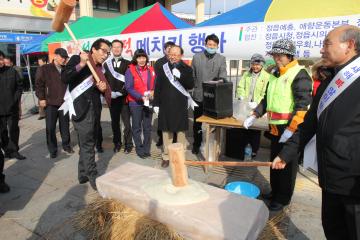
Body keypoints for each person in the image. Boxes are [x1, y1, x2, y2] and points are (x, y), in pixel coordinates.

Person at [272, 25, 360, 239]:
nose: (321, 50)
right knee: (332, 229)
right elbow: (310, 124)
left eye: (327, 44)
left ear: (349, 45)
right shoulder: (329, 82)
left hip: (355, 183)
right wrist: (286, 153)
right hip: (330, 176)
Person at [243, 39, 312, 211]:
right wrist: (255, 114)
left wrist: (291, 129)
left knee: (286, 164)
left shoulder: (300, 74)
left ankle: (283, 198)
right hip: (274, 126)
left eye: (280, 55)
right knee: (274, 162)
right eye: (274, 55)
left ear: (289, 55)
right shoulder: (274, 73)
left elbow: (303, 106)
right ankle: (275, 192)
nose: (276, 58)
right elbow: (267, 99)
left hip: (289, 127)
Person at [61, 38, 111, 190]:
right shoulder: (78, 59)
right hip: (81, 110)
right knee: (89, 144)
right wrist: (81, 64)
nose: (105, 55)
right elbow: (65, 77)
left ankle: (82, 173)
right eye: (103, 51)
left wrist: (101, 87)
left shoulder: (99, 68)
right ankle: (93, 175)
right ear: (94, 49)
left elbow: (96, 89)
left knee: (86, 142)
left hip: (94, 109)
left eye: (107, 53)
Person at [153, 45, 194, 168]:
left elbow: (191, 84)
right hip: (165, 104)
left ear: (181, 55)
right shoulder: (163, 68)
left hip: (180, 104)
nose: (173, 56)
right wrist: (156, 104)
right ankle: (166, 156)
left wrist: (180, 76)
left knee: (180, 132)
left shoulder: (187, 68)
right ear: (168, 54)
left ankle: (181, 155)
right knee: (167, 132)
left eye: (176, 54)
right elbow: (158, 86)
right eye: (171, 54)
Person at [191, 34, 227, 154]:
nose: (211, 47)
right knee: (197, 122)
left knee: (213, 124)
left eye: (214, 45)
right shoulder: (196, 57)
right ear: (205, 44)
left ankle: (212, 146)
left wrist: (219, 80)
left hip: (213, 97)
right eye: (209, 44)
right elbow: (193, 75)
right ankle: (196, 144)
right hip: (198, 96)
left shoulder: (221, 59)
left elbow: (223, 76)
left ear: (217, 46)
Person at [35, 48, 73, 159]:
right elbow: (39, 84)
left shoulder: (66, 69)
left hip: (64, 102)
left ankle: (66, 145)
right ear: (55, 56)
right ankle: (53, 149)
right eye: (62, 57)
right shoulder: (45, 69)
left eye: (65, 57)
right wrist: (41, 98)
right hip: (50, 102)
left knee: (65, 126)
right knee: (50, 128)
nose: (64, 59)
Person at [236, 53, 272, 160]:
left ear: (262, 65)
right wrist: (242, 97)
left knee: (255, 130)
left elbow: (266, 92)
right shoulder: (246, 74)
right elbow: (240, 86)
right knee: (244, 128)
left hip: (258, 107)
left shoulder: (267, 76)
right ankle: (244, 148)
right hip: (246, 105)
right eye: (253, 64)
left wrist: (257, 103)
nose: (255, 67)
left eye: (258, 64)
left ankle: (254, 150)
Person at [104, 39, 133, 154]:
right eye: (114, 47)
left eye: (119, 47)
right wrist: (108, 93)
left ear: (122, 49)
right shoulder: (106, 64)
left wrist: (122, 92)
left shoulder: (128, 63)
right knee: (114, 122)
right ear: (111, 49)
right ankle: (117, 143)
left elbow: (130, 82)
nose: (116, 49)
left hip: (124, 98)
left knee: (127, 123)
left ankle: (128, 144)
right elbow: (105, 80)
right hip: (112, 99)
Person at [125, 49, 155, 159]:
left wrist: (153, 91)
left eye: (143, 57)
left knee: (147, 126)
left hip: (148, 102)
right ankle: (139, 148)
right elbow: (129, 88)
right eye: (139, 57)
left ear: (146, 58)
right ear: (135, 59)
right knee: (136, 127)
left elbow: (154, 84)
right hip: (135, 102)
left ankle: (146, 149)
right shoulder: (130, 70)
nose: (141, 60)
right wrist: (140, 97)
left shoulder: (151, 69)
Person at [0, 51, 25, 160]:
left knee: (14, 130)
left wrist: (14, 101)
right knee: (2, 132)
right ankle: (6, 150)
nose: (0, 61)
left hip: (12, 108)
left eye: (1, 59)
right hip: (0, 110)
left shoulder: (12, 71)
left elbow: (19, 87)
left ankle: (14, 151)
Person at [153, 41, 177, 147]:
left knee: (174, 118)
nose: (169, 49)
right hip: (163, 94)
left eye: (171, 47)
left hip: (175, 95)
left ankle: (175, 139)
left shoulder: (177, 61)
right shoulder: (159, 62)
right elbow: (158, 80)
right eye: (167, 47)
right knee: (162, 119)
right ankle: (161, 138)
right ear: (164, 50)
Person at [37, 55, 49, 120]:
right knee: (40, 101)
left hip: (47, 89)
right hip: (40, 89)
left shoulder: (48, 68)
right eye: (38, 62)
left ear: (44, 62)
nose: (39, 63)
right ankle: (42, 114)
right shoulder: (39, 68)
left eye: (40, 62)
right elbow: (37, 81)